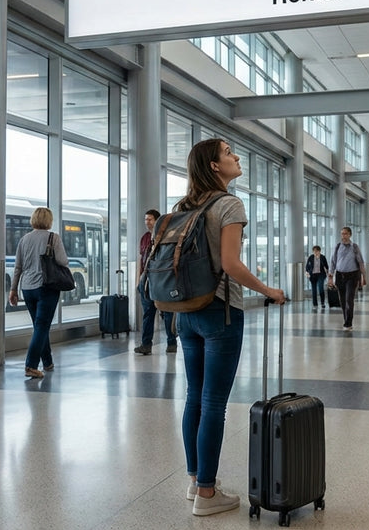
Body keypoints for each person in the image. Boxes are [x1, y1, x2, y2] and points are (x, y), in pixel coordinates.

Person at [174, 138, 286, 517]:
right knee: (213, 403)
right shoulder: (229, 204)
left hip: (184, 311)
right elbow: (230, 264)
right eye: (228, 153)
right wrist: (269, 289)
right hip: (219, 311)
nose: (236, 156)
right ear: (214, 166)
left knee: (194, 396)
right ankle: (207, 494)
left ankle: (195, 481)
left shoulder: (185, 206)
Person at [9, 207, 68, 379]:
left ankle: (47, 361)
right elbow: (63, 261)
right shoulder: (53, 238)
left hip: (27, 289)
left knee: (39, 326)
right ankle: (31, 365)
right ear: (49, 220)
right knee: (42, 326)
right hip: (46, 287)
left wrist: (13, 289)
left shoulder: (24, 239)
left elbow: (18, 266)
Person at [135, 209, 176, 356]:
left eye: (150, 219)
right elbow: (142, 259)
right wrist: (139, 280)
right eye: (146, 219)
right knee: (148, 313)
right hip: (147, 280)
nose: (147, 222)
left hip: (162, 280)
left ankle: (172, 342)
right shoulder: (145, 238)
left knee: (167, 312)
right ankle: (146, 344)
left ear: (157, 221)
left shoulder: (166, 236)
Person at [328, 227, 367, 330]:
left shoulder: (354, 247)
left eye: (345, 234)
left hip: (352, 276)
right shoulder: (337, 247)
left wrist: (364, 276)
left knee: (349, 299)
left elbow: (361, 262)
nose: (343, 236)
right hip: (340, 275)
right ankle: (346, 319)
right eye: (342, 234)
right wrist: (330, 277)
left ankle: (348, 323)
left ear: (350, 235)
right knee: (342, 300)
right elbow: (333, 262)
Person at [306, 245, 329, 310]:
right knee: (314, 290)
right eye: (314, 251)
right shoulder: (310, 257)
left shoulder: (322, 257)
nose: (315, 252)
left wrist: (326, 269)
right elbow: (307, 266)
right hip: (312, 275)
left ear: (319, 251)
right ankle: (315, 304)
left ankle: (322, 303)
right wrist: (307, 272)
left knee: (321, 288)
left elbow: (327, 266)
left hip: (321, 274)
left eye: (317, 251)